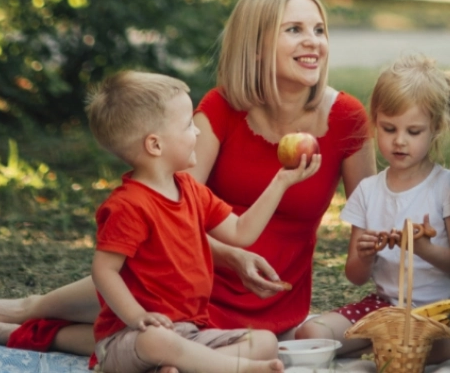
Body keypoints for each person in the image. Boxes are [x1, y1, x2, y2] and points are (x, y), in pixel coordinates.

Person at [0, 0, 377, 365]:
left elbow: (365, 236)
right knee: (143, 313)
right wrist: (230, 256)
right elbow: (168, 209)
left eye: (319, 29)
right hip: (185, 267)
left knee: (163, 340)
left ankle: (36, 333)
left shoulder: (348, 119)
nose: (314, 42)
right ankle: (29, 309)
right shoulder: (221, 108)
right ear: (257, 45)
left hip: (272, 293)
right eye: (295, 29)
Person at [84, 71, 319, 372]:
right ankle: (237, 369)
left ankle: (180, 367)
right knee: (158, 341)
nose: (197, 132)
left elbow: (241, 231)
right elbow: (103, 271)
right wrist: (136, 316)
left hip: (189, 333)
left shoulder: (191, 190)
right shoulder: (128, 206)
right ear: (155, 145)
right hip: (130, 338)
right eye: (187, 125)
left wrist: (281, 181)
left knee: (265, 342)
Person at [293, 54, 450, 364]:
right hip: (385, 309)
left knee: (429, 348)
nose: (400, 141)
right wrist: (365, 256)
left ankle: (386, 349)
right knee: (311, 333)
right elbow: (354, 275)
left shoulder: (446, 186)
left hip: (442, 315)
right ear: (375, 122)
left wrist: (423, 249)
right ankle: (384, 344)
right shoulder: (368, 191)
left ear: (435, 128)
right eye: (389, 128)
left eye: (413, 131)